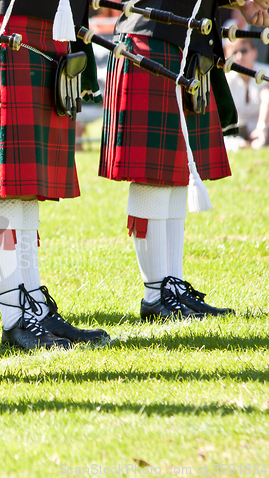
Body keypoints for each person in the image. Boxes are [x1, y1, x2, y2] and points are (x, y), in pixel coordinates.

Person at [0, 0, 110, 349]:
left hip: (47, 29)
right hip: (2, 28)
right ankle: (15, 317)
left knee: (24, 186)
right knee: (1, 185)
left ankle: (33, 304)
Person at [99, 0, 269, 320]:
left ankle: (171, 287)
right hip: (150, 37)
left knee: (177, 172)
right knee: (152, 175)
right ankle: (154, 295)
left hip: (187, 42)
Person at [223, 37, 269, 150]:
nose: (239, 56)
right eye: (234, 52)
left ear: (254, 52)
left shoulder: (265, 73)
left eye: (244, 51)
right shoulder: (227, 80)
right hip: (238, 131)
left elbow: (266, 97)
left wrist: (261, 128)